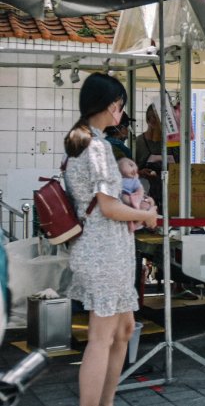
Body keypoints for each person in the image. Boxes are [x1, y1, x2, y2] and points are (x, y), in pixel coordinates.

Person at [63, 73, 158, 406]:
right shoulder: (98, 147)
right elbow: (108, 207)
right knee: (102, 338)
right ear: (112, 105)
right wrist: (146, 215)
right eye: (120, 105)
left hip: (96, 250)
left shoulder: (79, 142)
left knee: (123, 330)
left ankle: (106, 402)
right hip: (105, 252)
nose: (121, 112)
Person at [135, 103, 178, 206]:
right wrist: (140, 172)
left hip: (170, 194)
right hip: (144, 194)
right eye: (150, 117)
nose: (153, 120)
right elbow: (131, 169)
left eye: (156, 116)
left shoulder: (173, 142)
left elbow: (179, 167)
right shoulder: (139, 142)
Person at [117, 157, 155, 232]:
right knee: (125, 198)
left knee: (144, 206)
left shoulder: (134, 180)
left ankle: (136, 224)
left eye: (134, 165)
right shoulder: (116, 180)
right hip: (125, 199)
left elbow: (140, 190)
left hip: (134, 198)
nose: (134, 168)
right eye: (130, 165)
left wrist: (141, 197)